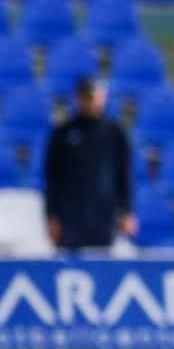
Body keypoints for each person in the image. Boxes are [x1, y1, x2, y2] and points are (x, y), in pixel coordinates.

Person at [43, 77, 135, 251]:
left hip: (104, 215)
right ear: (78, 98)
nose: (90, 102)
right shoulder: (63, 133)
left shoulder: (114, 133)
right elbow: (52, 178)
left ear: (102, 97)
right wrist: (51, 216)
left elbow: (124, 175)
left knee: (101, 260)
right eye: (86, 97)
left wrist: (126, 211)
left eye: (93, 96)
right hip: (70, 217)